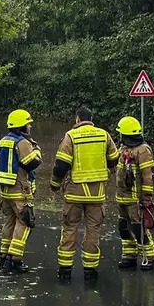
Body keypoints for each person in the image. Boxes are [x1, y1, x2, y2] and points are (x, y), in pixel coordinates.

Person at [50, 106, 119, 282]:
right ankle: (90, 270)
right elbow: (114, 159)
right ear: (91, 119)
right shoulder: (104, 135)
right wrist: (111, 171)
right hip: (97, 195)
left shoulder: (70, 136)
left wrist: (55, 185)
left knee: (70, 228)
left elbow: (61, 165)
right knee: (93, 231)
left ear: (77, 119)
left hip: (74, 194)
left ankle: (65, 270)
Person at [0, 109, 43, 273]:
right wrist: (36, 149)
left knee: (10, 222)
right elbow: (32, 162)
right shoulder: (22, 142)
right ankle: (14, 260)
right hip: (19, 192)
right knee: (25, 222)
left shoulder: (4, 141)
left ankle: (4, 256)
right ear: (22, 126)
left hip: (6, 192)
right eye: (28, 123)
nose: (30, 126)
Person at [115, 116, 154, 270]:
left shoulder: (143, 150)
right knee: (124, 227)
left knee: (139, 229)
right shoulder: (123, 149)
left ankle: (148, 257)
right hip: (122, 198)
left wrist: (146, 197)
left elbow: (148, 174)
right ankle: (129, 256)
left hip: (136, 199)